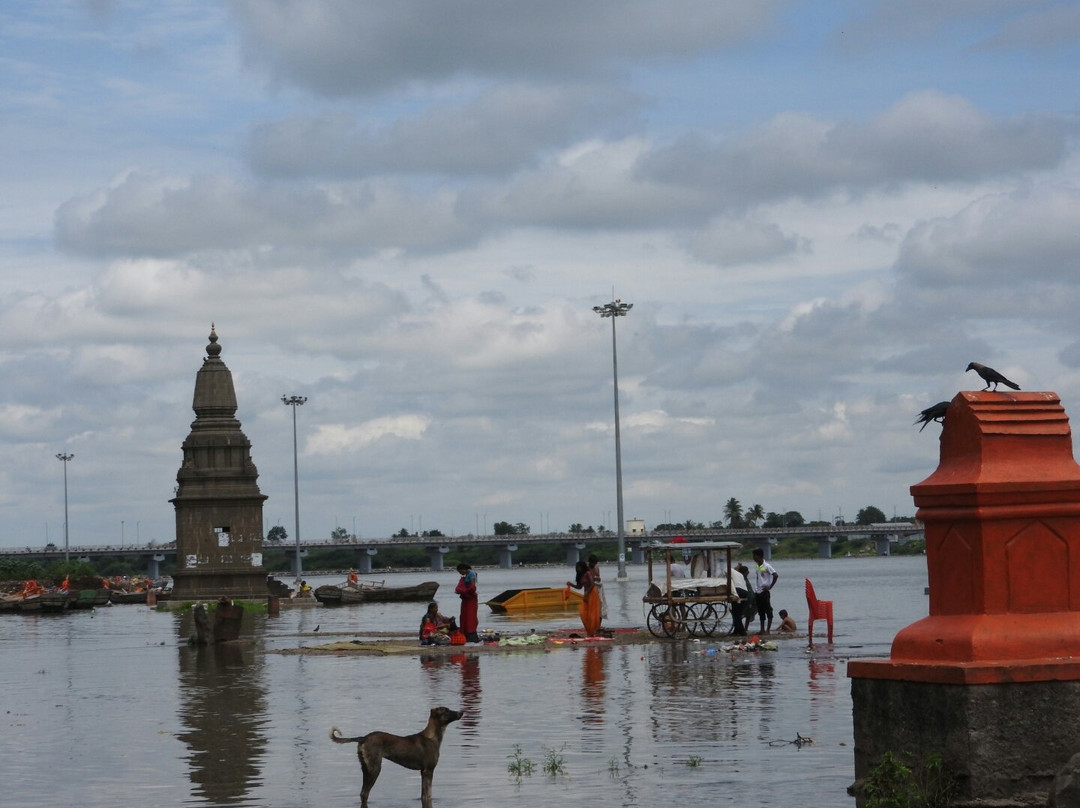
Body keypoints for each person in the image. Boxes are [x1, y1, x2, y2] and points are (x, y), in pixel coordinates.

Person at [567, 560, 602, 637]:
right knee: (583, 613)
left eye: (578, 567)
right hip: (586, 594)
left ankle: (594, 631)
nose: (577, 569)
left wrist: (587, 595)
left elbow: (592, 584)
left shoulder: (588, 573)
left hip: (592, 593)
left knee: (592, 614)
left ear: (582, 567)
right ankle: (589, 631)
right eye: (576, 567)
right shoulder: (580, 575)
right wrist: (571, 584)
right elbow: (579, 587)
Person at [751, 548, 779, 634]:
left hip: (764, 591)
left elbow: (775, 575)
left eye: (754, 556)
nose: (753, 558)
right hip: (758, 591)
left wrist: (770, 587)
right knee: (761, 611)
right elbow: (758, 577)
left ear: (758, 556)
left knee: (768, 610)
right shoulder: (757, 566)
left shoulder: (767, 566)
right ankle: (762, 629)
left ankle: (768, 630)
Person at [455, 563, 480, 643]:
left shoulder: (471, 574)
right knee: (464, 615)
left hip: (471, 598)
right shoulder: (467, 575)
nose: (460, 573)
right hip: (466, 598)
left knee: (470, 616)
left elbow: (473, 587)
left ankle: (471, 634)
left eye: (460, 571)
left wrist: (463, 591)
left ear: (464, 569)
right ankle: (465, 633)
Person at [729, 563, 750, 636]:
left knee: (736, 613)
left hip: (738, 591)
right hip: (744, 592)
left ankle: (742, 631)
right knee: (738, 612)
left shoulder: (728, 571)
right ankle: (737, 630)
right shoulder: (739, 574)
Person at [587, 554, 608, 619]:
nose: (594, 565)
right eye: (593, 563)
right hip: (590, 589)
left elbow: (599, 578)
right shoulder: (587, 569)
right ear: (589, 562)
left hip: (597, 589)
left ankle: (598, 625)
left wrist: (597, 578)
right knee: (591, 608)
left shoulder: (596, 568)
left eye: (595, 563)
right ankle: (592, 624)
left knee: (600, 607)